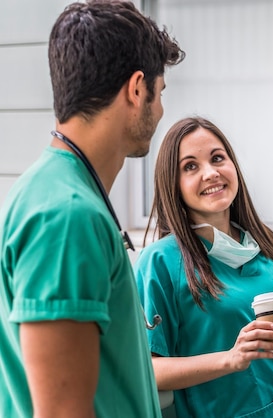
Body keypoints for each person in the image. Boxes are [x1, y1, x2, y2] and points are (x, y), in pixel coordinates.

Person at [0, 1, 185, 417]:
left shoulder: (57, 192)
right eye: (160, 93)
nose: (160, 110)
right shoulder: (67, 217)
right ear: (137, 90)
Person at [134, 116, 273, 418]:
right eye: (190, 166)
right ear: (173, 183)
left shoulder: (263, 244)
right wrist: (230, 359)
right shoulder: (161, 263)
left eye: (217, 158)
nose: (211, 173)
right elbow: (146, 370)